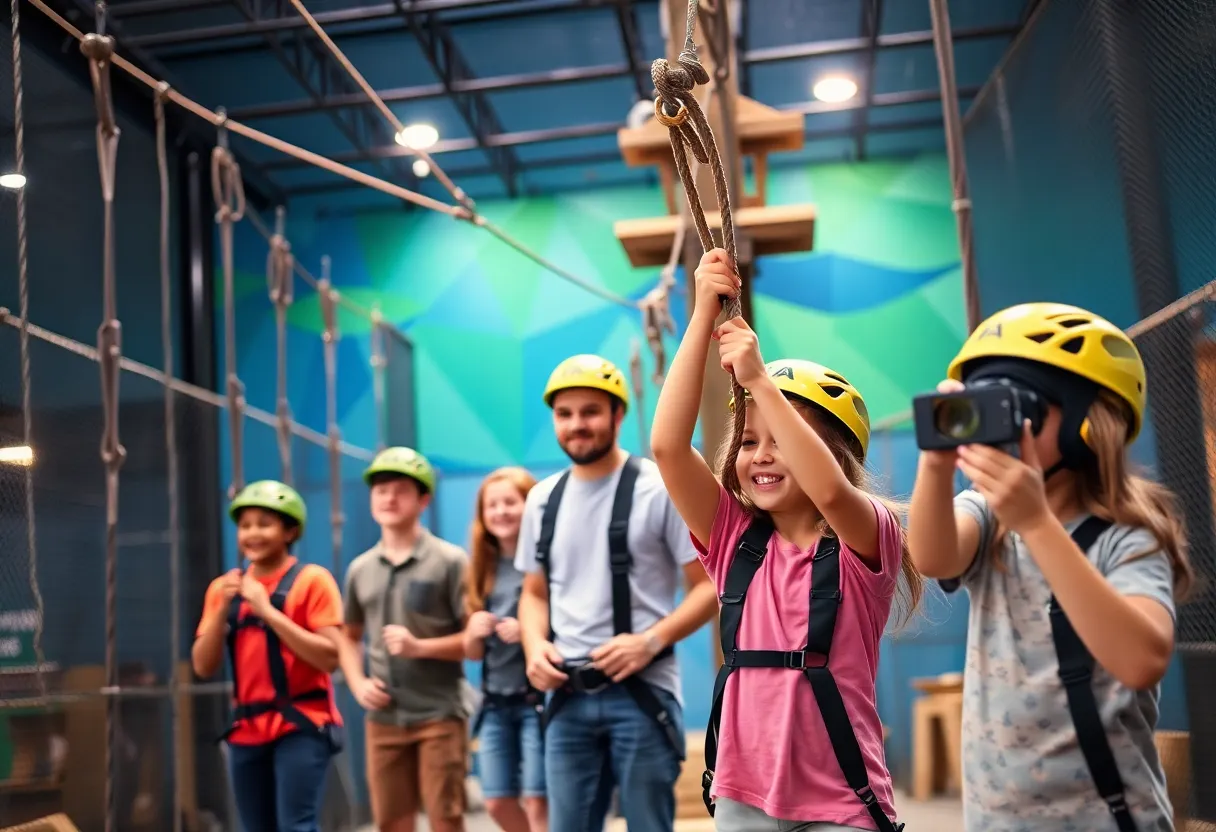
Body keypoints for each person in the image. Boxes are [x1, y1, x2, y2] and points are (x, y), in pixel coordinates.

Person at [650, 248, 920, 832]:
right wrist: (702, 316)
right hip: (744, 796)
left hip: (843, 802)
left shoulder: (866, 538)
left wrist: (758, 380)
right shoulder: (734, 542)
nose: (763, 456)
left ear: (836, 455)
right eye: (748, 441)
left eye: (784, 441)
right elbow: (669, 448)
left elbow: (827, 490)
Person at [906, 302, 1193, 831]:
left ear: (1088, 423)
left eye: (1016, 405)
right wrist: (936, 460)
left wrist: (1037, 523)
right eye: (979, 405)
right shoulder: (990, 514)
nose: (994, 426)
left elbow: (1141, 660)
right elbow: (932, 555)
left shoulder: (1126, 537)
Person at [515, 352, 718, 832]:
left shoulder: (658, 489)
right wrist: (533, 646)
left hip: (643, 693)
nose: (576, 425)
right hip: (566, 694)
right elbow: (534, 593)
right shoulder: (541, 500)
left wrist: (649, 640)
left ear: (617, 414)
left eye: (589, 412)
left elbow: (708, 588)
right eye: (564, 415)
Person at [192, 480, 345, 832]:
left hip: (302, 723)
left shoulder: (312, 581)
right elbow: (203, 665)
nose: (252, 534)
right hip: (247, 729)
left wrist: (267, 610)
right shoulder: (223, 588)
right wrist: (220, 612)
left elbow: (329, 658)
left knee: (296, 826)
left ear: (290, 531)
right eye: (245, 526)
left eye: (264, 524)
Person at [337, 447, 471, 832]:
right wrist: (358, 683)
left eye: (400, 490)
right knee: (391, 823)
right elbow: (348, 638)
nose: (389, 498)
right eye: (381, 490)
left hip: (439, 714)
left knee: (446, 819)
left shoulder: (449, 561)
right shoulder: (360, 569)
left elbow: (473, 641)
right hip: (383, 718)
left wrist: (420, 647)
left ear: (423, 499)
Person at [463, 466, 547, 832]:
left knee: (538, 799)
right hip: (495, 703)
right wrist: (472, 632)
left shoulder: (545, 561)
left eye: (510, 502)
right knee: (496, 801)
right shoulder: (481, 569)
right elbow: (473, 654)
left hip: (536, 701)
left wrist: (528, 632)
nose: (500, 512)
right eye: (491, 505)